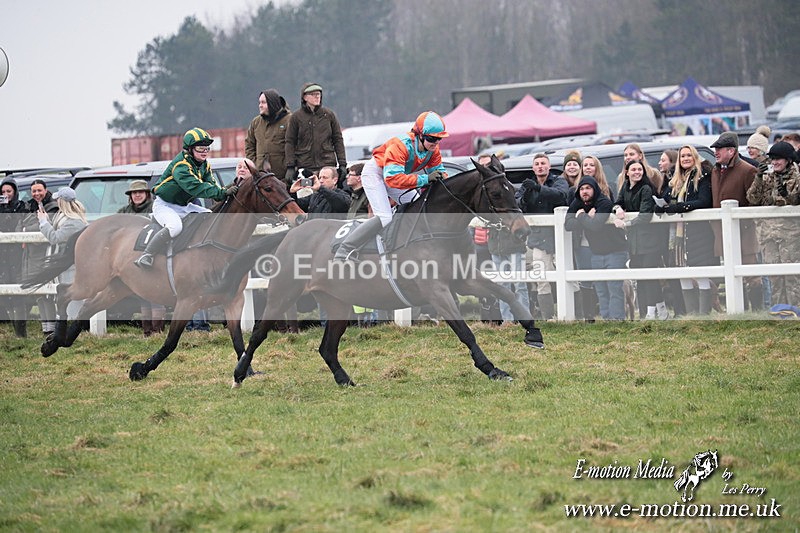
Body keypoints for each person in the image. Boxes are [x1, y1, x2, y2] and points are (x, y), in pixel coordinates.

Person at [333, 111, 449, 263]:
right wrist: (425, 178)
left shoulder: (433, 150)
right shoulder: (400, 146)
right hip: (376, 174)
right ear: (419, 135)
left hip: (394, 176)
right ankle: (345, 249)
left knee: (419, 207)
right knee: (385, 217)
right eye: (431, 138)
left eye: (439, 139)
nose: (435, 143)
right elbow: (393, 179)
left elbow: (440, 173)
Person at [134, 127, 238, 269]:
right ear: (190, 149)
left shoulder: (204, 165)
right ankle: (147, 254)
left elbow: (211, 184)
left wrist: (222, 191)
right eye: (201, 148)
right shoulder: (181, 166)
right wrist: (221, 193)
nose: (205, 152)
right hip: (165, 206)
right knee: (175, 227)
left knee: (210, 216)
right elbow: (196, 187)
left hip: (184, 205)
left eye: (207, 148)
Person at [658, 145, 718, 315]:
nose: (685, 158)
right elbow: (667, 197)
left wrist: (681, 207)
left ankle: (703, 314)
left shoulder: (703, 176)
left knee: (700, 272)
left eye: (688, 155)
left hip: (698, 231)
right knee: (682, 271)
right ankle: (691, 314)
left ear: (695, 157)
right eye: (682, 156)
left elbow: (705, 201)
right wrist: (661, 205)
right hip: (677, 234)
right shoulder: (676, 178)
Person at [709, 131, 762, 310]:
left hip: (744, 231)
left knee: (751, 275)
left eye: (719, 149)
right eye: (715, 149)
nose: (716, 152)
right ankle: (742, 311)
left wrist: (744, 222)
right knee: (731, 273)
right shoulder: (715, 171)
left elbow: (755, 202)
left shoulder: (748, 170)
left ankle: (756, 312)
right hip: (723, 232)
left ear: (731, 151)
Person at [565, 176, 628, 320]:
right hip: (597, 253)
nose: (584, 192)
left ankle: (617, 321)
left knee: (614, 289)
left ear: (594, 189)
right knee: (600, 290)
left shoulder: (604, 202)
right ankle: (606, 320)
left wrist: (581, 216)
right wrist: (587, 217)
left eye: (588, 188)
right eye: (581, 189)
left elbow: (596, 225)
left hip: (616, 251)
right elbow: (567, 224)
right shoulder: (578, 202)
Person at [746, 141, 800, 307]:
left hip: (791, 233)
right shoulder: (766, 176)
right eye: (773, 159)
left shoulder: (796, 177)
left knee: (792, 276)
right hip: (767, 233)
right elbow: (752, 198)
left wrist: (783, 197)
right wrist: (757, 177)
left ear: (788, 160)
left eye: (779, 159)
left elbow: (795, 200)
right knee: (774, 275)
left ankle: (795, 311)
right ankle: (779, 311)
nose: (775, 162)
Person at [613, 160, 669, 320]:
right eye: (633, 169)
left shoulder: (645, 188)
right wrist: (617, 209)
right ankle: (662, 311)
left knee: (649, 276)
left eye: (640, 169)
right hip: (635, 243)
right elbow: (617, 202)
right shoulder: (625, 187)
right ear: (627, 172)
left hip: (650, 241)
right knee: (641, 276)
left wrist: (627, 224)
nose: (637, 172)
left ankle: (652, 312)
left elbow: (646, 214)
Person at [517, 153, 569, 320]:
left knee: (570, 277)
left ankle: (574, 314)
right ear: (533, 167)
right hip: (537, 240)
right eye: (537, 164)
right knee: (541, 279)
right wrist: (525, 197)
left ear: (548, 166)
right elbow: (517, 203)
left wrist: (538, 188)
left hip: (562, 238)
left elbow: (561, 196)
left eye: (543, 163)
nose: (540, 166)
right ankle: (548, 317)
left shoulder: (558, 181)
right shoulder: (527, 184)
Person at [117, 179, 165, 335]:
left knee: (156, 294)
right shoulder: (123, 212)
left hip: (153, 256)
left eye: (140, 192)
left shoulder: (156, 209)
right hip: (131, 258)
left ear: (147, 194)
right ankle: (147, 331)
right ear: (130, 196)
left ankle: (157, 331)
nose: (137, 195)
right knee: (142, 294)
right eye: (134, 193)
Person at [36, 188, 88, 321]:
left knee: (71, 297)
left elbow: (55, 238)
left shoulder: (73, 222)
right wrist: (47, 220)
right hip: (68, 264)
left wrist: (43, 222)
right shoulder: (67, 219)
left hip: (71, 265)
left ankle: (73, 324)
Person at [284, 83, 347, 185]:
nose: (317, 96)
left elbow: (338, 140)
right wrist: (290, 166)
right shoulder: (296, 117)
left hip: (327, 166)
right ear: (304, 97)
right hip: (305, 168)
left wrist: (342, 163)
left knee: (328, 196)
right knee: (306, 196)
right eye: (313, 94)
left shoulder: (329, 115)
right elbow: (289, 142)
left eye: (318, 94)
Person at [21, 179, 59, 335]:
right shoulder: (29, 206)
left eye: (39, 190)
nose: (36, 194)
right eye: (34, 191)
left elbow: (44, 225)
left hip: (45, 254)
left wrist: (25, 229)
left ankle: (52, 328)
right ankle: (46, 327)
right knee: (39, 294)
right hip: (29, 255)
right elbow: (19, 224)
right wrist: (23, 229)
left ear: (46, 190)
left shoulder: (53, 206)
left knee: (48, 293)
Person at [0, 177, 30, 337]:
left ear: (15, 192)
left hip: (18, 255)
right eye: (3, 192)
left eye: (8, 191)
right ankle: (15, 329)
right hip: (2, 255)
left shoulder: (22, 206)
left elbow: (21, 225)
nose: (6, 194)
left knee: (19, 292)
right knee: (5, 294)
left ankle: (21, 332)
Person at [245, 89, 291, 184]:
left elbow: (295, 146)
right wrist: (255, 165)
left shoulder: (289, 120)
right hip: (261, 179)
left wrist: (290, 168)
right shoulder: (256, 122)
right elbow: (249, 146)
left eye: (263, 102)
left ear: (272, 103)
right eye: (259, 102)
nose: (260, 105)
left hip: (283, 178)